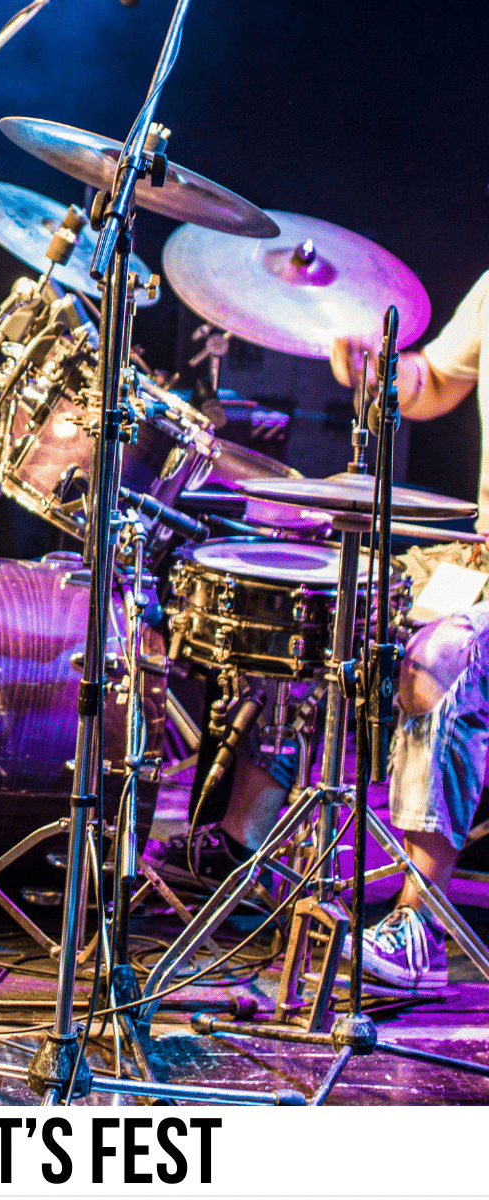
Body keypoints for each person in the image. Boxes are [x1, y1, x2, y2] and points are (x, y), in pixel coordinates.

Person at [152, 272, 489, 991]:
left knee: (442, 654)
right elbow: (430, 383)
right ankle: (242, 853)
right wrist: (380, 367)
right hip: (480, 556)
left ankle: (420, 926)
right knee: (309, 591)